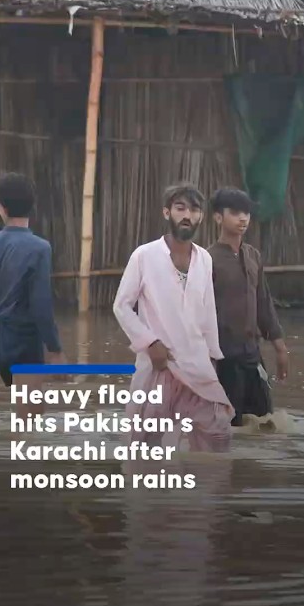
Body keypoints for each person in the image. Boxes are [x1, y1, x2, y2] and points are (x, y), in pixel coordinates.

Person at [113, 183, 234, 452]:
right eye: (180, 208)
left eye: (194, 210)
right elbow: (121, 306)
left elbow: (208, 312)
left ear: (201, 217)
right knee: (144, 445)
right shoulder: (144, 255)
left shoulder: (204, 259)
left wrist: (212, 356)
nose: (187, 215)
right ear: (167, 212)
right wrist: (150, 343)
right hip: (159, 364)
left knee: (218, 436)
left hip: (197, 365)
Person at [0, 172, 65, 413]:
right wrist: (55, 349)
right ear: (32, 207)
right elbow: (41, 304)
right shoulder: (40, 248)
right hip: (25, 337)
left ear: (1, 208)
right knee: (30, 414)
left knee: (20, 403)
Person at [207, 187, 290, 426]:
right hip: (223, 356)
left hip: (252, 353)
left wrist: (280, 348)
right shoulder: (206, 259)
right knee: (228, 424)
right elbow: (196, 313)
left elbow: (264, 303)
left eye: (246, 213)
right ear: (218, 217)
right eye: (235, 213)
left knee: (265, 420)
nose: (243, 218)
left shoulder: (253, 255)